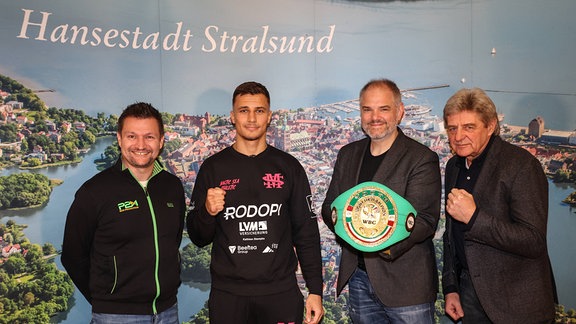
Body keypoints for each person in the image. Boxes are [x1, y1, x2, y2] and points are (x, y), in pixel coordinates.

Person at [187, 81, 324, 324]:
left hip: (280, 293)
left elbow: (307, 232)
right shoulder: (213, 168)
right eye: (244, 110)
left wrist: (315, 290)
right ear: (232, 116)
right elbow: (198, 237)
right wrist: (207, 212)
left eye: (259, 111)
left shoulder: (289, 167)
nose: (252, 118)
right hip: (228, 295)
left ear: (269, 116)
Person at [321, 78, 441, 323]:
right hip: (359, 279)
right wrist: (347, 226)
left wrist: (379, 243)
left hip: (407, 286)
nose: (374, 117)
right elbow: (329, 207)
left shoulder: (421, 158)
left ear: (400, 112)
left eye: (383, 109)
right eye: (367, 109)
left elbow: (425, 220)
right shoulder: (347, 154)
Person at [61, 102, 186, 323]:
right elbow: (73, 256)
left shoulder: (172, 186)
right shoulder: (94, 192)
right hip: (116, 316)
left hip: (168, 312)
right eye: (131, 136)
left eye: (149, 136)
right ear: (119, 139)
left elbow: (172, 241)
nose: (140, 144)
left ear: (161, 141)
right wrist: (106, 300)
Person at [442, 88, 557, 323]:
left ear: (491, 126)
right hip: (471, 296)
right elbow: (452, 235)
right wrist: (451, 287)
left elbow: (533, 240)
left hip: (518, 303)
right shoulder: (454, 166)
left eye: (469, 127)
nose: (458, 136)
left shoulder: (521, 166)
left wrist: (475, 218)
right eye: (452, 128)